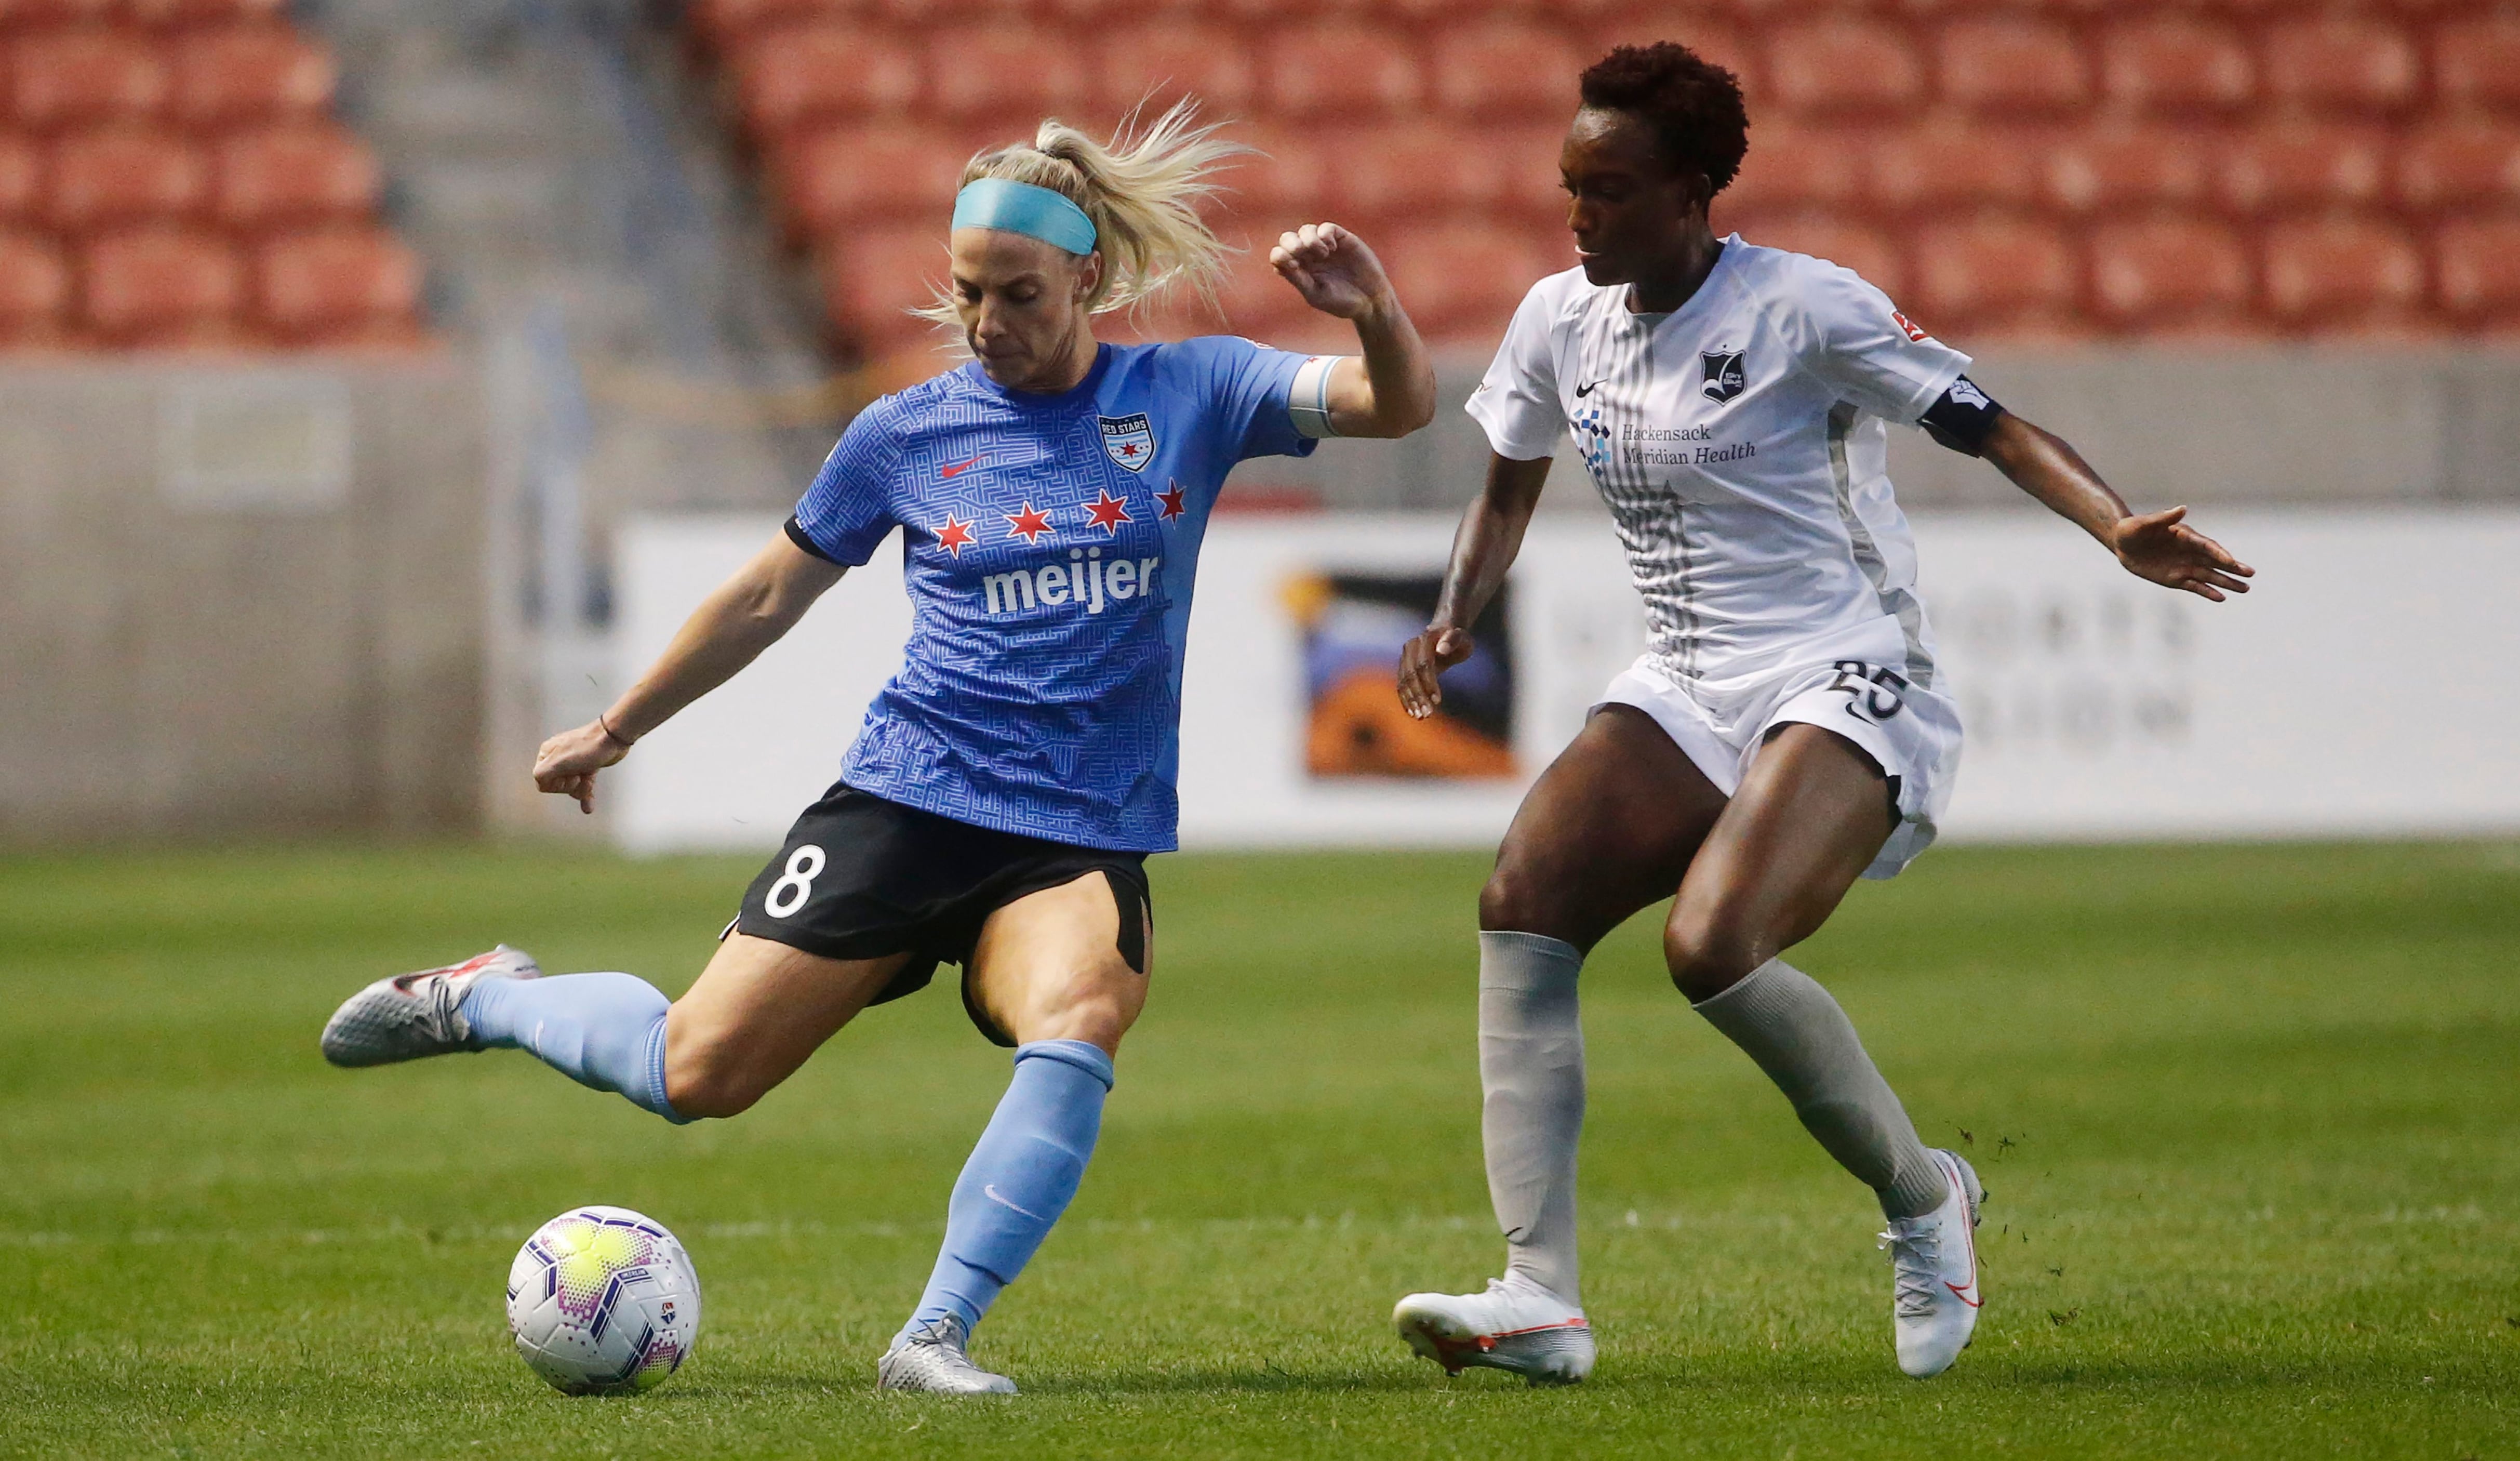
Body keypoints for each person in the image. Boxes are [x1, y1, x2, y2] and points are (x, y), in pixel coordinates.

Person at [317, 103, 1435, 1395]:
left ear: (1087, 278)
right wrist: (617, 727)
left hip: (1075, 832)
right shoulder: (905, 431)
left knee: (1080, 1012)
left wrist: (1373, 311)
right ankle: (488, 996)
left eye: (1018, 294)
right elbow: (764, 595)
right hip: (908, 800)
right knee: (695, 1071)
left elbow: (1394, 405)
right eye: (967, 292)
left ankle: (934, 1334)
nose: (986, 321)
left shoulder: (1192, 391)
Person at [1388, 44, 2252, 1385]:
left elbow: (1988, 422)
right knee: (1522, 901)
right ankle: (1539, 1296)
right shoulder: (1557, 317)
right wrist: (1454, 614)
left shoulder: (1804, 306)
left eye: (1607, 190)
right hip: (1683, 675)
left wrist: (2114, 525)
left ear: (1691, 192)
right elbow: (1506, 486)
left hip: (1841, 665)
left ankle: (1924, 1198)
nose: (1578, 216)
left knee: (1711, 944)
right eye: (1568, 187)